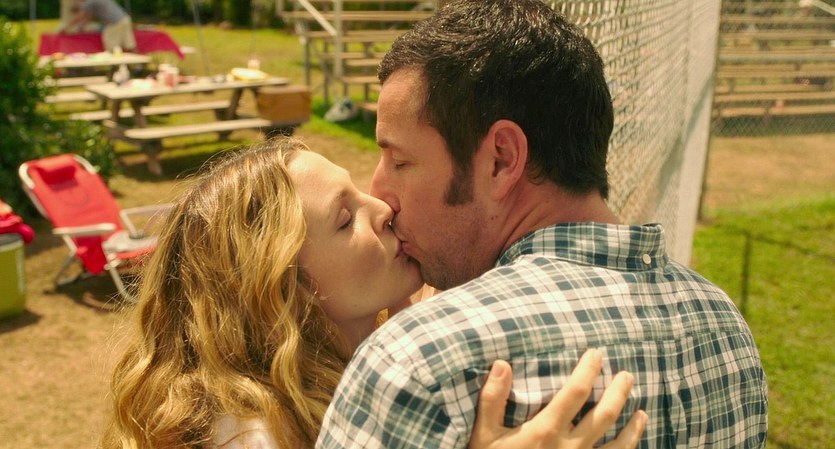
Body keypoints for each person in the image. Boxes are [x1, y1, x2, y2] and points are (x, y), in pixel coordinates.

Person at [316, 0, 769, 448]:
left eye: (400, 161)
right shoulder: (726, 330)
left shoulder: (419, 363)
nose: (379, 193)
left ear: (501, 160)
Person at [100, 138, 646, 449]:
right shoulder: (250, 433)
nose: (383, 208)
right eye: (345, 219)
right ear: (283, 289)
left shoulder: (383, 360)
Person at [60, 0, 136, 52]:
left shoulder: (89, 2)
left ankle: (113, 67)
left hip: (114, 22)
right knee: (129, 44)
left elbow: (81, 16)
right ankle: (137, 65)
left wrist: (67, 26)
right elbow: (88, 16)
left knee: (111, 46)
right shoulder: (93, 2)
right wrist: (81, 27)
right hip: (125, 19)